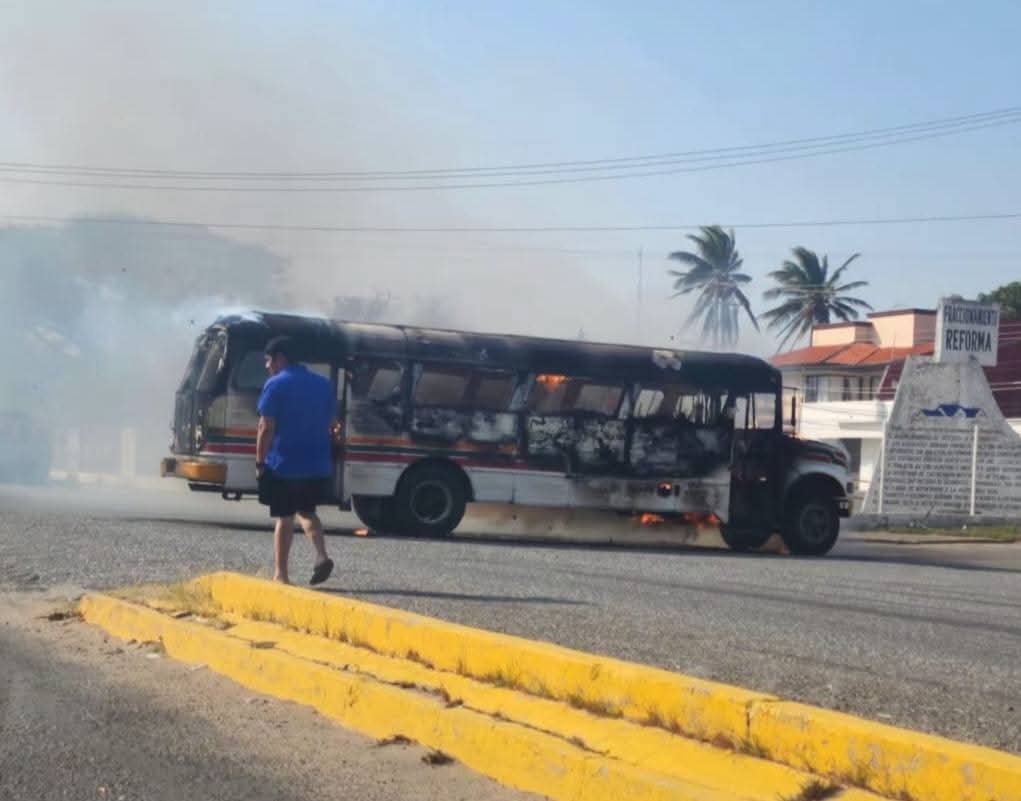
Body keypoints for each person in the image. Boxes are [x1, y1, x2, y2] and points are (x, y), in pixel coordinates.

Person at [255, 336, 336, 585]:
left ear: (280, 358)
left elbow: (266, 427)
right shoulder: (323, 384)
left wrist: (259, 461)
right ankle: (321, 556)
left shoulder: (275, 385)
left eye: (268, 360)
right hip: (316, 463)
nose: (267, 366)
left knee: (285, 516)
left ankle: (281, 574)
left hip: (284, 463)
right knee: (308, 512)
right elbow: (332, 424)